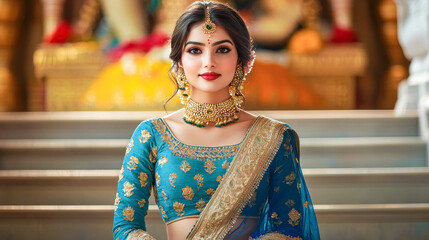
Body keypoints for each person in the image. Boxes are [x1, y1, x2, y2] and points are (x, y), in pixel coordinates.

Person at [113, 1, 320, 239]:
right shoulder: (152, 134)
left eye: (222, 49)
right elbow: (126, 227)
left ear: (245, 61)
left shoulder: (274, 137)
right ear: (178, 62)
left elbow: (288, 228)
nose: (208, 61)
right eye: (194, 50)